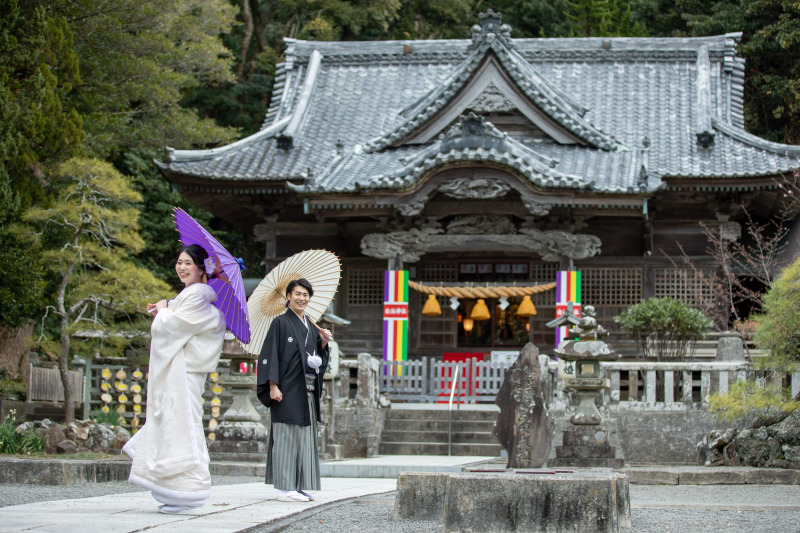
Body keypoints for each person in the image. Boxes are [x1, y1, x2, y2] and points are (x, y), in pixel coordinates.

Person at [123, 244, 226, 513]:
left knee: (181, 426)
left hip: (184, 374)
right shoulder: (194, 296)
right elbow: (180, 326)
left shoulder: (197, 296)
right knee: (176, 423)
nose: (181, 267)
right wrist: (167, 310)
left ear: (202, 268)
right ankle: (175, 487)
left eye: (188, 263)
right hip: (182, 373)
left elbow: (172, 328)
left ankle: (185, 489)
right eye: (179, 262)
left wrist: (163, 311)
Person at [256, 278, 332, 502]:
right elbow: (270, 355)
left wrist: (324, 343)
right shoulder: (280, 323)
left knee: (304, 438)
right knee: (286, 436)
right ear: (288, 296)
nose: (302, 298)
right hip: (286, 389)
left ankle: (297, 486)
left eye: (306, 295)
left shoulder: (310, 324)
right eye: (297, 294)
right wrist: (273, 385)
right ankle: (284, 488)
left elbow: (315, 357)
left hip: (306, 389)